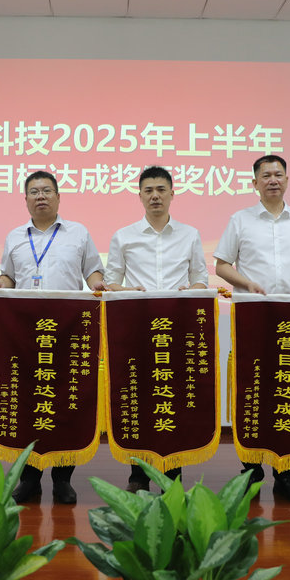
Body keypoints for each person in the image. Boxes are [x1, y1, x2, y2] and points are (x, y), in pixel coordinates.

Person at [0, 170, 107, 505]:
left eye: (46, 191)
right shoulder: (15, 236)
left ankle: (62, 479)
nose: (40, 196)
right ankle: (29, 479)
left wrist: (97, 283)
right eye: (34, 191)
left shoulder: (78, 233)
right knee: (28, 400)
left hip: (68, 329)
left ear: (58, 196)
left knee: (66, 399)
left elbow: (93, 270)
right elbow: (10, 277)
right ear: (25, 199)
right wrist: (0, 283)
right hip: (24, 333)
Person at [213, 154, 290, 504]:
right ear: (255, 183)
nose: (273, 180)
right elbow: (221, 265)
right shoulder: (240, 220)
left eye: (278, 174)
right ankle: (250, 468)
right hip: (252, 314)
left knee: (286, 388)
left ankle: (284, 473)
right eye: (266, 175)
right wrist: (247, 283)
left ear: (287, 180)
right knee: (252, 388)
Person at [104, 166, 208, 492]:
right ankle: (138, 474)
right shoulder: (124, 236)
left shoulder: (190, 234)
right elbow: (111, 282)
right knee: (139, 397)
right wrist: (128, 292)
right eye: (148, 190)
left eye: (161, 190)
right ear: (140, 195)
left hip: (176, 329)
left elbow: (200, 279)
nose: (155, 196)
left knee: (173, 398)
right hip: (136, 329)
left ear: (172, 194)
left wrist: (190, 292)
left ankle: (172, 473)